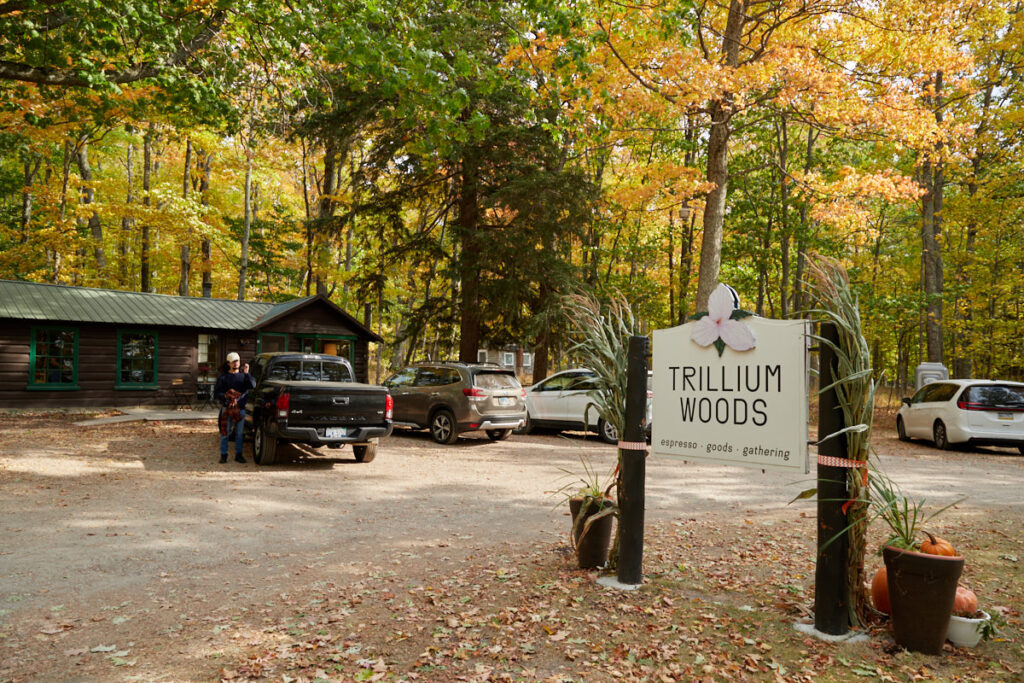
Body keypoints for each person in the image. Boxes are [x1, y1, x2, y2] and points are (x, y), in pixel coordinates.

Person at [213, 352, 255, 464]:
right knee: (224, 433)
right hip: (227, 408)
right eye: (234, 361)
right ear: (229, 363)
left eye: (237, 361)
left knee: (239, 434)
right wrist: (227, 397)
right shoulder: (223, 377)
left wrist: (247, 373)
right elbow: (217, 393)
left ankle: (239, 455)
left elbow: (252, 385)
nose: (236, 363)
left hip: (240, 409)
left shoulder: (243, 376)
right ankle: (223, 455)